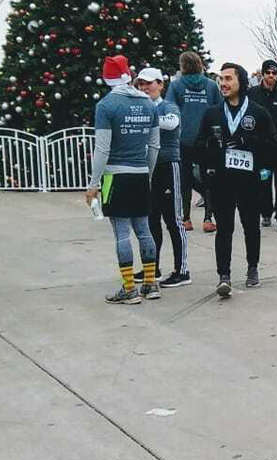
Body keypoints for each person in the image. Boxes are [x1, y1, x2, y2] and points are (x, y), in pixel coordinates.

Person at [84, 55, 161, 304]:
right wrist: (146, 174)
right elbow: (154, 146)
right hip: (140, 173)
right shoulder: (149, 104)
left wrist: (93, 183)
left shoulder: (106, 106)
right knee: (144, 229)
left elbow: (103, 149)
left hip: (116, 175)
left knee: (121, 232)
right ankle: (150, 283)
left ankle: (129, 288)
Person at [195, 63, 277, 297]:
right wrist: (211, 152)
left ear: (241, 81)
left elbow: (273, 143)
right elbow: (200, 144)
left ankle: (252, 268)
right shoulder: (212, 113)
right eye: (221, 78)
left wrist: (249, 143)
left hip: (249, 181)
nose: (223, 83)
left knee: (251, 226)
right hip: (222, 181)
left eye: (229, 78)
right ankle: (224, 275)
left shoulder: (258, 112)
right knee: (224, 229)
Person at [136, 67, 191, 289]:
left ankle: (182, 270)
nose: (145, 87)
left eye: (149, 83)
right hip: (147, 168)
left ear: (160, 84)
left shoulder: (168, 106)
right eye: (141, 83)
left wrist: (145, 116)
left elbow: (171, 123)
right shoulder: (139, 107)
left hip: (168, 165)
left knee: (174, 221)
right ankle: (152, 267)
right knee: (151, 220)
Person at [166, 51, 221, 233]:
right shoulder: (211, 86)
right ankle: (208, 218)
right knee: (209, 178)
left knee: (185, 180)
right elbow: (219, 109)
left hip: (183, 138)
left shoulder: (176, 86)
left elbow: (170, 109)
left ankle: (186, 219)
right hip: (207, 138)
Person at [247, 60, 277, 233]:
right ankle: (265, 213)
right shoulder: (251, 94)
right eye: (268, 73)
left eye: (274, 74)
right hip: (261, 148)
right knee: (263, 182)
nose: (271, 76)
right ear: (263, 73)